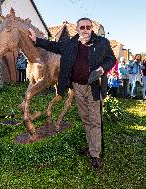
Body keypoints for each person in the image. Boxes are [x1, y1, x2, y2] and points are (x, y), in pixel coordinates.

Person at [28, 17, 116, 169]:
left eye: (88, 27)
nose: (86, 30)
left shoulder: (102, 42)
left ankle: (95, 154)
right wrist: (37, 40)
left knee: (94, 120)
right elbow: (53, 46)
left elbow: (111, 59)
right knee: (86, 119)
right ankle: (91, 146)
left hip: (94, 87)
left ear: (91, 29)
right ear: (77, 29)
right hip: (77, 87)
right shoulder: (70, 44)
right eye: (82, 27)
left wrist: (102, 68)